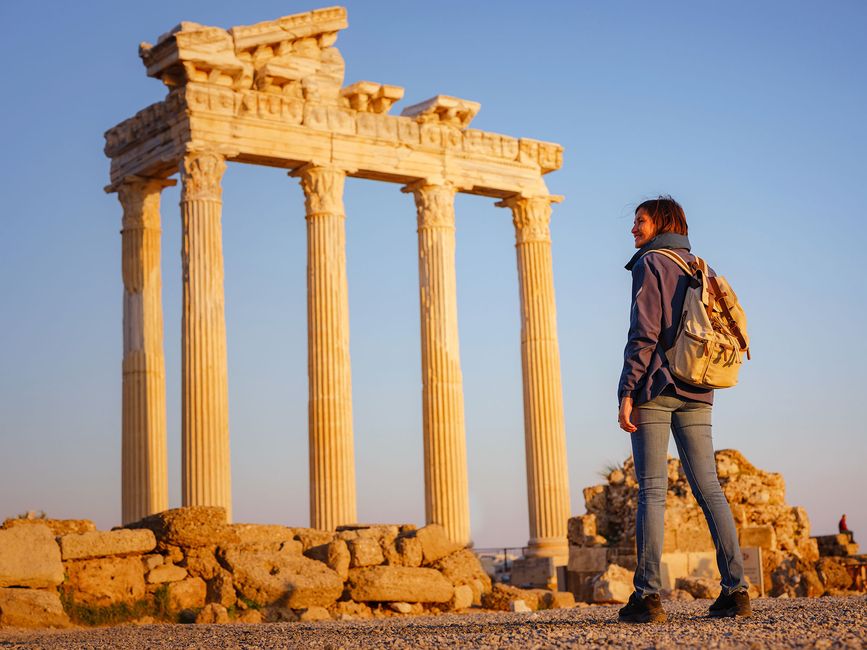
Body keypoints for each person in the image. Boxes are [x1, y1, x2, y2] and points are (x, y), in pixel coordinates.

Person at [616, 196, 751, 623]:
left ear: (660, 222)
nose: (633, 229)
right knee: (710, 488)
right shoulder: (699, 265)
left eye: (639, 221)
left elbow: (644, 332)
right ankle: (736, 590)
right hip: (698, 385)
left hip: (655, 385)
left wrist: (626, 391)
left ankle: (648, 598)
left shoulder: (650, 262)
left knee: (652, 490)